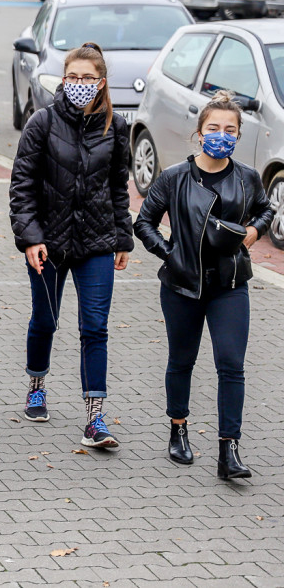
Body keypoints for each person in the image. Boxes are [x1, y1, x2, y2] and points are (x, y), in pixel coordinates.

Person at [134, 91, 272, 480]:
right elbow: (143, 222)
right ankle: (178, 429)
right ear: (199, 133)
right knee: (182, 360)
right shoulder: (174, 177)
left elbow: (265, 209)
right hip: (182, 286)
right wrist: (170, 253)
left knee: (231, 365)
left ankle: (229, 451)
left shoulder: (246, 177)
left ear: (239, 134)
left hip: (230, 284)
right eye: (213, 128)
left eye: (230, 130)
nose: (221, 135)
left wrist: (253, 231)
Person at [8, 42, 133, 450]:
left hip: (97, 240)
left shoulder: (114, 127)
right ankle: (37, 386)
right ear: (64, 80)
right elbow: (22, 186)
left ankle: (95, 418)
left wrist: (123, 236)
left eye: (88, 78)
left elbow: (118, 187)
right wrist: (30, 237)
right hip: (49, 243)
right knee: (46, 320)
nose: (80, 84)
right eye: (73, 77)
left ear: (101, 83)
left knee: (95, 328)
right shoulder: (41, 123)